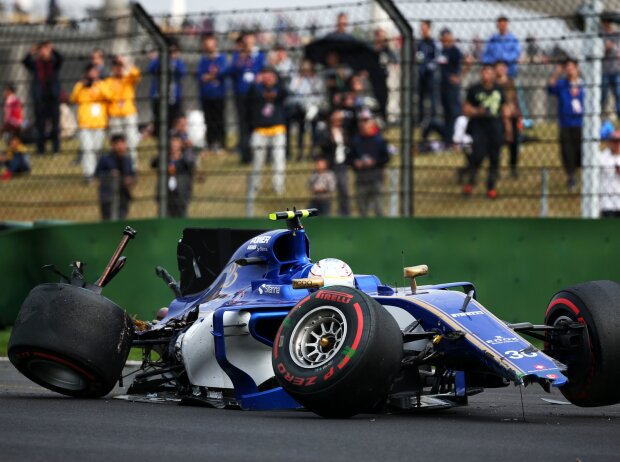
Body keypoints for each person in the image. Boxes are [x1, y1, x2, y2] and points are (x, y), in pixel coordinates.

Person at [462, 64, 511, 199]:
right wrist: (478, 111)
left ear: (494, 75)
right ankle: (470, 183)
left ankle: (491, 188)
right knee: (477, 156)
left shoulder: (499, 90)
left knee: (495, 159)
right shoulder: (474, 89)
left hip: (495, 127)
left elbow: (505, 109)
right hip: (479, 127)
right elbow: (465, 108)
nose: (486, 75)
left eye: (489, 73)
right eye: (484, 72)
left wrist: (508, 129)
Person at [246, 66, 288, 215]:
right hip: (260, 130)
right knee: (258, 161)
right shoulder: (256, 90)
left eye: (271, 75)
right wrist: (256, 83)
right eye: (265, 75)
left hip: (278, 129)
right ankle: (255, 187)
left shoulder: (280, 89)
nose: (268, 78)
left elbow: (285, 92)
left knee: (279, 159)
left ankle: (278, 186)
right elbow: (248, 97)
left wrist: (278, 81)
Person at [228, 31, 266, 164]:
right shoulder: (238, 55)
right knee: (243, 125)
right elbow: (232, 70)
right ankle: (245, 155)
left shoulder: (259, 55)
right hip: (241, 94)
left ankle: (260, 155)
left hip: (255, 94)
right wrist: (242, 58)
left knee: (256, 124)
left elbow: (263, 70)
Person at [547, 58, 584, 190]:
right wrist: (557, 72)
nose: (569, 69)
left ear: (577, 69)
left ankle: (581, 173)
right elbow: (550, 87)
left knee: (581, 151)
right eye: (567, 67)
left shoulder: (584, 84)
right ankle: (571, 176)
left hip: (581, 123)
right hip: (565, 123)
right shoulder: (562, 84)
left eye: (572, 67)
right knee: (567, 151)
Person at [70, 64, 111, 180]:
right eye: (91, 71)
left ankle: (97, 170)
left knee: (97, 148)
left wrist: (98, 84)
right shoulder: (80, 86)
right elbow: (73, 99)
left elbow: (109, 96)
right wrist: (82, 86)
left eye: (95, 71)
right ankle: (89, 173)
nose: (93, 74)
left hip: (99, 123)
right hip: (85, 123)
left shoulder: (103, 85)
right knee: (87, 149)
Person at [22, 40, 63, 155]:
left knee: (55, 125)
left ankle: (56, 149)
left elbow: (61, 59)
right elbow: (25, 62)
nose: (44, 52)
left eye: (46, 49)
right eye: (42, 49)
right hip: (40, 98)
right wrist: (32, 51)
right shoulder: (36, 65)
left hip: (53, 98)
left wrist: (52, 50)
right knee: (40, 125)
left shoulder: (54, 63)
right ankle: (41, 149)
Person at [347, 110, 390, 216]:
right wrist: (355, 162)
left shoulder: (379, 140)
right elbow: (349, 158)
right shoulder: (356, 140)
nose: (363, 124)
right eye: (361, 121)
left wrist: (374, 162)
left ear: (372, 122)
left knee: (379, 209)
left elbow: (386, 158)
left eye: (366, 120)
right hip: (361, 179)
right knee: (362, 210)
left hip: (376, 178)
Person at [105, 55, 141, 168]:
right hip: (115, 114)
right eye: (116, 66)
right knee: (116, 140)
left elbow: (136, 74)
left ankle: (132, 165)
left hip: (129, 113)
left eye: (120, 66)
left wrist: (126, 63)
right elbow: (107, 97)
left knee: (131, 140)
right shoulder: (108, 81)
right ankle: (117, 164)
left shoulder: (128, 79)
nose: (118, 68)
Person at [287, 60, 324, 160]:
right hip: (300, 107)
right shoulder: (297, 78)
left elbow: (319, 92)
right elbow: (292, 90)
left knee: (314, 131)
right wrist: (300, 80)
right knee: (301, 131)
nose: (306, 71)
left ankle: (313, 151)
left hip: (313, 107)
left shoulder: (316, 79)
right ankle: (300, 152)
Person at [148, 43, 187, 136]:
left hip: (173, 98)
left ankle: (171, 137)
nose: (171, 54)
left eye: (174, 51)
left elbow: (182, 72)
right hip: (158, 97)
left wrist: (173, 61)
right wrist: (160, 58)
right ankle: (159, 136)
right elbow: (150, 69)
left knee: (173, 119)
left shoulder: (178, 62)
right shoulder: (159, 61)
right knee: (159, 119)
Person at [197, 33, 227, 152]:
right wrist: (212, 76)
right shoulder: (203, 60)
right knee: (208, 120)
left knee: (219, 119)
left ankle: (221, 143)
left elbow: (222, 73)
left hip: (219, 94)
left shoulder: (221, 58)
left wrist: (210, 76)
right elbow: (201, 76)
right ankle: (210, 143)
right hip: (206, 95)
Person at [437, 28, 468, 144]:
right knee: (446, 113)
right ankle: (447, 137)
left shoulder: (455, 51)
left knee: (454, 112)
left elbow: (468, 60)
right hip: (443, 86)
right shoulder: (442, 51)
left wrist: (459, 77)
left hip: (452, 87)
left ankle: (456, 137)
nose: (445, 42)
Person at [94, 133, 136, 220]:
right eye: (118, 143)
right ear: (113, 145)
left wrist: (130, 180)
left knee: (122, 220)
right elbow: (97, 174)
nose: (120, 146)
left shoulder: (128, 160)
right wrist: (110, 175)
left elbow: (133, 175)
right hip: (108, 196)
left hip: (123, 195)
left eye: (122, 143)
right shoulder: (105, 159)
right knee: (108, 220)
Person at [318, 110, 351, 216]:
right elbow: (323, 147)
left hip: (342, 164)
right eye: (336, 117)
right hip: (331, 164)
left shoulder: (344, 131)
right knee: (326, 191)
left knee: (344, 190)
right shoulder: (326, 131)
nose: (338, 120)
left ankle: (344, 213)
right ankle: (325, 213)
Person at [495, 60, 522, 178]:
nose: (500, 69)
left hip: (512, 116)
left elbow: (515, 100)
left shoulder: (511, 83)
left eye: (502, 67)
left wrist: (518, 115)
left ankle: (513, 167)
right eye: (498, 67)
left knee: (514, 143)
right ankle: (496, 168)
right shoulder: (494, 84)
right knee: (497, 144)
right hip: (497, 117)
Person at [164, 136, 195, 217]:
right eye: (172, 141)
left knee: (181, 213)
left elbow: (190, 164)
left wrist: (188, 148)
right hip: (167, 193)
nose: (173, 144)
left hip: (181, 192)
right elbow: (153, 162)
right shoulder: (165, 158)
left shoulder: (185, 158)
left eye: (176, 142)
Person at [373, 28, 398, 120]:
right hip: (376, 79)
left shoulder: (387, 49)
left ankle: (389, 116)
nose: (381, 39)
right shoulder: (373, 49)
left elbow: (394, 60)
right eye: (380, 36)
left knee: (389, 98)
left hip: (387, 78)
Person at [416, 20, 438, 124]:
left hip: (430, 74)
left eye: (424, 27)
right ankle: (420, 120)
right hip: (421, 73)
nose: (422, 30)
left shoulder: (433, 43)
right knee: (420, 98)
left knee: (432, 97)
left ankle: (433, 120)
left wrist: (430, 65)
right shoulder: (420, 43)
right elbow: (418, 56)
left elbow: (436, 57)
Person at [601, 18, 620, 118]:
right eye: (606, 23)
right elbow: (599, 50)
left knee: (618, 94)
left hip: (617, 70)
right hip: (604, 71)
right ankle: (599, 114)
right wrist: (605, 47)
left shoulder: (617, 35)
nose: (608, 25)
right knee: (603, 95)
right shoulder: (601, 36)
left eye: (610, 23)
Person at [599, 130, 620, 217]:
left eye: (618, 141)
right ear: (609, 142)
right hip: (606, 204)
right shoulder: (602, 157)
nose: (617, 144)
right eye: (614, 141)